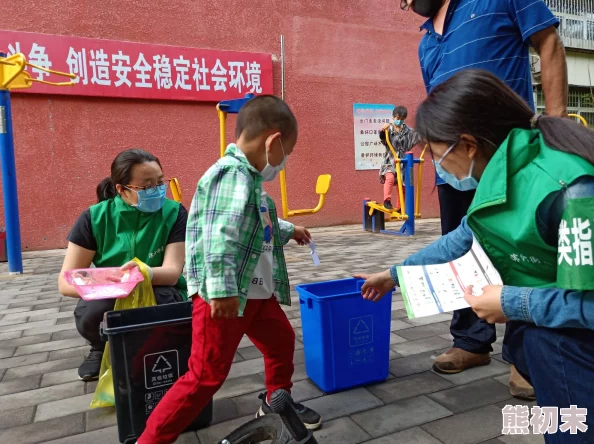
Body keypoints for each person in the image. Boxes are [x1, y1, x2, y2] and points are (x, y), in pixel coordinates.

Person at [358, 69, 594, 443]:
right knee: (526, 342)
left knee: (540, 344)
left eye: (437, 155)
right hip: (559, 329)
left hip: (573, 336)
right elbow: (462, 238)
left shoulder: (571, 192)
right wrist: (394, 275)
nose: (437, 167)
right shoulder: (505, 174)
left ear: (467, 145)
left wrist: (512, 301)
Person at [401, 0, 568, 391]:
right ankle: (470, 340)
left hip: (505, 155)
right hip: (457, 163)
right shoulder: (427, 42)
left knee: (520, 248)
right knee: (461, 247)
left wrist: (556, 129)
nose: (405, 3)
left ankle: (524, 357)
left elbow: (550, 42)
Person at [138, 95, 322, 444]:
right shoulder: (230, 174)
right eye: (288, 152)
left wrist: (290, 230)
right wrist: (221, 289)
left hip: (255, 294)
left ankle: (275, 401)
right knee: (205, 376)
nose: (284, 162)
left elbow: (256, 221)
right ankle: (151, 440)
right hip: (225, 296)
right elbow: (219, 234)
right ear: (273, 141)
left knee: (281, 341)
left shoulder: (250, 180)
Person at [58, 149, 188, 381]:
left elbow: (171, 272)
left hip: (159, 286)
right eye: (146, 187)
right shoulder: (94, 218)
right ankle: (101, 347)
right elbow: (66, 282)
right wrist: (111, 280)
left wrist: (144, 273)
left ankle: (159, 348)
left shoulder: (174, 213)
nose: (157, 190)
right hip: (111, 290)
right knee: (94, 311)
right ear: (121, 189)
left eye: (160, 182)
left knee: (166, 300)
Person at [379, 106, 421, 211]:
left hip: (403, 161)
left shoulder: (408, 131)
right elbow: (383, 137)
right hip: (391, 160)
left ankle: (400, 206)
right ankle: (387, 201)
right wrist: (383, 130)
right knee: (390, 178)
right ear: (393, 117)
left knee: (402, 184)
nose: (399, 121)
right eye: (397, 118)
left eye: (402, 119)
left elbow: (417, 136)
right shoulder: (389, 128)